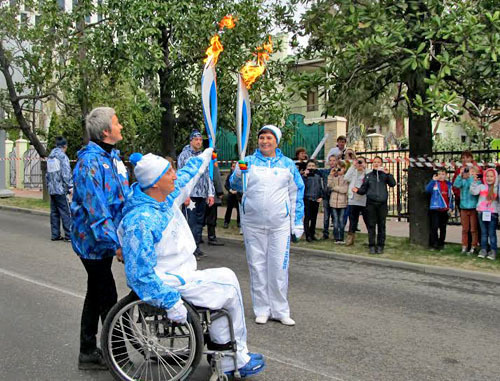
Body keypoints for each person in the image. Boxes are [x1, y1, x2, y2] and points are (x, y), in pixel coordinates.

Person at [119, 148, 265, 377]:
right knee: (228, 288)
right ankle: (233, 358)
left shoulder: (161, 199)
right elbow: (139, 274)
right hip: (167, 281)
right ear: (155, 183)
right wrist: (170, 302)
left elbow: (188, 176)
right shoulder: (141, 220)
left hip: (182, 272)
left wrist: (205, 155)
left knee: (227, 279)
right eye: (169, 173)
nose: (175, 175)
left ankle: (227, 351)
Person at [71, 107, 130, 370]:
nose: (121, 126)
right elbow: (97, 212)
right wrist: (114, 244)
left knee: (95, 293)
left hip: (105, 241)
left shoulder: (111, 157)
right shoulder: (89, 163)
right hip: (92, 243)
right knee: (107, 296)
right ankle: (119, 357)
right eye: (117, 123)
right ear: (106, 131)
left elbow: (121, 196)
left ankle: (87, 351)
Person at [230, 125, 304, 326]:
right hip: (253, 224)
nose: (265, 141)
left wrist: (297, 222)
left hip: (279, 225)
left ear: (276, 141)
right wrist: (238, 173)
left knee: (279, 267)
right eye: (262, 137)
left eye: (269, 138)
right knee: (257, 267)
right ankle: (262, 309)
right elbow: (235, 187)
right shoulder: (249, 162)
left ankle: (280, 310)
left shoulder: (287, 165)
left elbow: (297, 194)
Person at [177, 130, 215, 259]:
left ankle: (196, 247)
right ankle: (189, 250)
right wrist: (185, 195)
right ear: (191, 141)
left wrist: (210, 194)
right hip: (191, 195)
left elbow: (208, 176)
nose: (199, 142)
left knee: (199, 223)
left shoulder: (204, 156)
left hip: (202, 195)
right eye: (196, 140)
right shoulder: (184, 156)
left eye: (200, 140)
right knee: (191, 223)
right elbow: (181, 176)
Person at [353, 156, 396, 254]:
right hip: (371, 204)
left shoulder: (384, 175)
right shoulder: (368, 175)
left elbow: (393, 184)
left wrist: (388, 173)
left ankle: (380, 246)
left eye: (378, 162)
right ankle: (372, 245)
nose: (376, 164)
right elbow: (364, 189)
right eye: (375, 162)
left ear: (381, 164)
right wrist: (357, 190)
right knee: (371, 225)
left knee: (381, 225)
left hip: (382, 204)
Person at [46, 136, 73, 242]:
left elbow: (47, 175)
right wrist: (70, 186)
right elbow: (66, 173)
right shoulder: (62, 156)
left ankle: (55, 234)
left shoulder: (51, 156)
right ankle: (69, 235)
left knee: (54, 212)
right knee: (65, 212)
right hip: (61, 189)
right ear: (64, 146)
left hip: (52, 189)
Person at [470, 168, 498, 260]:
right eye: (487, 176)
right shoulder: (481, 186)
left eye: (491, 176)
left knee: (492, 233)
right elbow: (473, 192)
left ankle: (493, 251)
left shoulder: (497, 188)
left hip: (493, 214)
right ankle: (483, 250)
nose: (489, 178)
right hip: (482, 213)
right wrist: (474, 182)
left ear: (495, 177)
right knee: (484, 233)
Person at [453, 166, 480, 255]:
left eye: (472, 172)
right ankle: (464, 246)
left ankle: (473, 246)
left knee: (473, 229)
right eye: (468, 172)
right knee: (465, 229)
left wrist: (471, 178)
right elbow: (456, 185)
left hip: (473, 207)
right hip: (464, 207)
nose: (469, 174)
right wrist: (460, 175)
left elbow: (472, 187)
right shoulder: (463, 180)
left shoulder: (476, 181)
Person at [425, 169, 454, 251]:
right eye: (439, 174)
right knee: (434, 227)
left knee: (443, 227)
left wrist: (450, 207)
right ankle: (434, 244)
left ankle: (441, 243)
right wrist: (432, 181)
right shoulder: (435, 183)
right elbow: (427, 190)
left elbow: (450, 197)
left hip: (444, 209)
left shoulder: (448, 185)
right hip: (435, 209)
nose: (441, 176)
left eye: (443, 174)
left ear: (446, 175)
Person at [344, 156, 368, 246]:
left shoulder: (367, 172)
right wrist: (353, 166)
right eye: (358, 162)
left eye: (361, 162)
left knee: (367, 219)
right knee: (353, 220)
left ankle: (371, 237)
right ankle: (350, 237)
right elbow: (346, 178)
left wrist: (364, 167)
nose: (359, 164)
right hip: (353, 199)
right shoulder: (353, 172)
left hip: (364, 199)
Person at [302, 159, 323, 242]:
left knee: (314, 218)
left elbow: (320, 187)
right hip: (307, 199)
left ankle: (312, 233)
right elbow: (301, 186)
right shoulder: (304, 177)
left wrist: (321, 196)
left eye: (313, 166)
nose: (311, 167)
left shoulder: (317, 176)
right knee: (307, 217)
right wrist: (305, 176)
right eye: (309, 166)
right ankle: (307, 235)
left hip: (316, 199)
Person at [328, 161, 348, 243]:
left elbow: (344, 190)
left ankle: (341, 237)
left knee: (341, 220)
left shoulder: (346, 178)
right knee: (335, 221)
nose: (339, 170)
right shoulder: (333, 177)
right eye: (338, 168)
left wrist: (335, 188)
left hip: (342, 202)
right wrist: (331, 175)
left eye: (341, 168)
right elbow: (329, 186)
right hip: (333, 202)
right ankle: (336, 237)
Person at [204, 164, 224, 246]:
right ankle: (211, 237)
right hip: (211, 194)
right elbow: (216, 178)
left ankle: (198, 237)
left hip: (201, 194)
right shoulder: (212, 163)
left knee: (201, 217)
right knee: (212, 217)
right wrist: (220, 191)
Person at [319, 155, 337, 239]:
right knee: (326, 216)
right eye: (330, 160)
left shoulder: (338, 171)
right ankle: (325, 233)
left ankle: (335, 233)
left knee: (335, 216)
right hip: (326, 196)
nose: (332, 162)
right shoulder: (325, 171)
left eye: (334, 160)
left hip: (335, 196)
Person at [224, 161, 241, 229]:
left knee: (239, 209)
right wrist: (230, 190)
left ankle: (239, 222)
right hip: (231, 195)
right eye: (233, 166)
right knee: (229, 209)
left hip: (238, 195)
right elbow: (226, 185)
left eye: (235, 166)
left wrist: (238, 191)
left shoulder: (240, 175)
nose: (234, 168)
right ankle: (226, 222)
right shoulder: (229, 175)